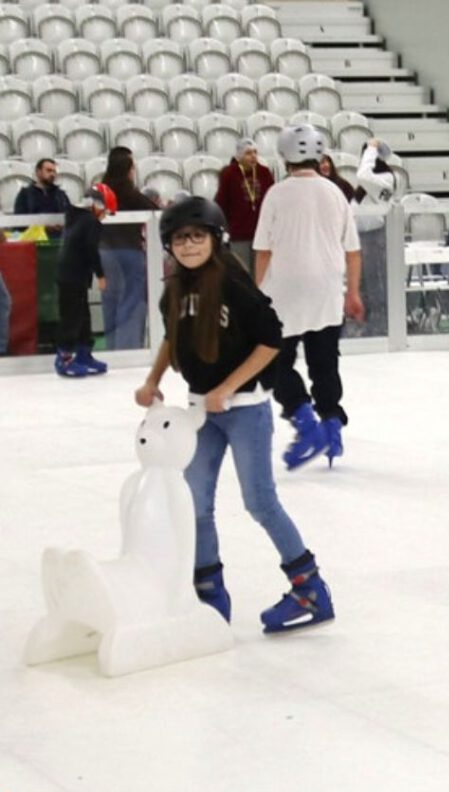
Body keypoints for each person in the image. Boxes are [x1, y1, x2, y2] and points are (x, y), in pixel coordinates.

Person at [134, 196, 334, 634]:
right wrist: (153, 380)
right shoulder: (176, 288)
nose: (188, 246)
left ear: (215, 238)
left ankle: (310, 590)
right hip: (199, 413)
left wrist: (228, 387)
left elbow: (271, 342)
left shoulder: (233, 284)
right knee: (195, 503)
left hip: (245, 411)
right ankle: (210, 596)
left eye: (197, 237)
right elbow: (173, 338)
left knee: (259, 502)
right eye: (180, 239)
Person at [253, 125, 363, 468]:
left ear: (284, 156)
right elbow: (353, 250)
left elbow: (263, 250)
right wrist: (353, 292)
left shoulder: (276, 194)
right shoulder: (334, 193)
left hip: (283, 290)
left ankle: (304, 419)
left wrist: (255, 294)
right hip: (327, 288)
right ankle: (332, 424)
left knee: (275, 363)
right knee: (325, 362)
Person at [54, 184, 116, 377]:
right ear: (96, 206)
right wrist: (101, 275)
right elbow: (91, 249)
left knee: (82, 316)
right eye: (105, 211)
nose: (105, 216)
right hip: (74, 275)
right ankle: (63, 359)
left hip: (70, 274)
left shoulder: (76, 217)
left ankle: (83, 354)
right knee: (72, 317)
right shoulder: (91, 222)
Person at [100, 147, 159, 350]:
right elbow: (154, 210)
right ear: (128, 168)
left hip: (104, 252)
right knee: (131, 301)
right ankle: (128, 348)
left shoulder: (100, 190)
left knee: (110, 300)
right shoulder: (129, 192)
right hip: (129, 250)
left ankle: (111, 347)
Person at [353, 138, 402, 337]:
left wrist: (372, 149)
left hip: (375, 236)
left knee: (376, 282)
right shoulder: (370, 182)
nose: (366, 157)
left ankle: (382, 323)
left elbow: (363, 174)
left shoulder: (385, 179)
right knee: (364, 282)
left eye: (369, 154)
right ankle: (367, 321)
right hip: (360, 236)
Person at [214, 138, 275, 275]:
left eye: (255, 152)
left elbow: (272, 199)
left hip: (262, 232)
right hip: (239, 233)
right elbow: (222, 203)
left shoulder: (264, 172)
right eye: (248, 153)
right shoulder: (229, 174)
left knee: (262, 273)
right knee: (242, 271)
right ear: (239, 156)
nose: (253, 156)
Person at [14, 158, 71, 233]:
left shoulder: (61, 194)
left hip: (59, 237)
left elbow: (70, 217)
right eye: (49, 170)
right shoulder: (25, 194)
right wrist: (43, 227)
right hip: (34, 238)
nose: (52, 174)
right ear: (38, 172)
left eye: (54, 171)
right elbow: (19, 222)